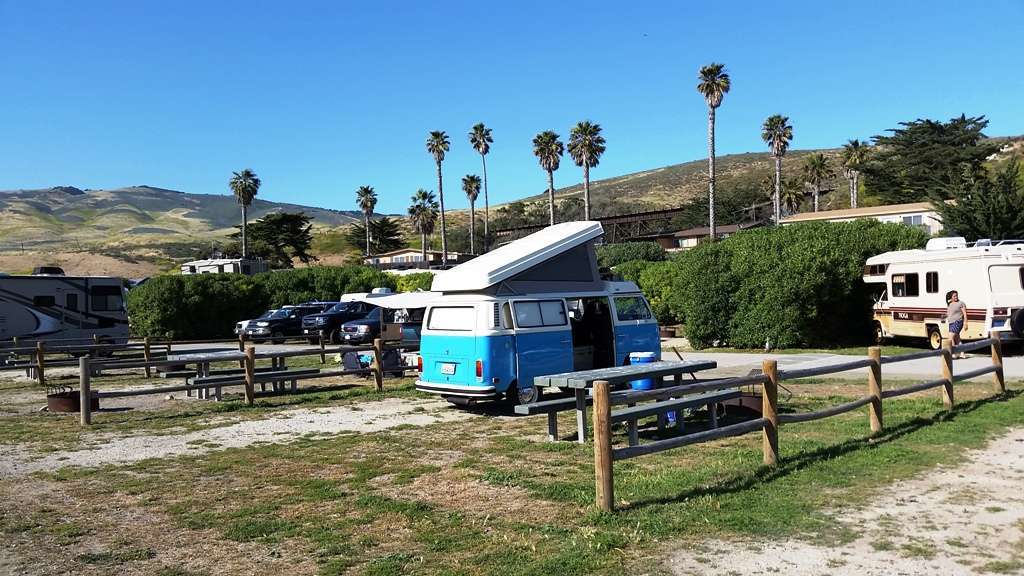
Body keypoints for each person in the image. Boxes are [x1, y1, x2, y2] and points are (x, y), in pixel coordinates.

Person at [946, 290, 968, 358]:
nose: (956, 297)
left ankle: (954, 353)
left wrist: (965, 322)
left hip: (958, 322)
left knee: (950, 337)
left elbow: (964, 313)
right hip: (951, 323)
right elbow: (950, 313)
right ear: (951, 297)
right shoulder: (950, 303)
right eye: (954, 296)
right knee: (957, 339)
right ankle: (962, 353)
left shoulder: (961, 303)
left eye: (956, 295)